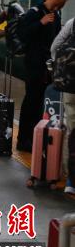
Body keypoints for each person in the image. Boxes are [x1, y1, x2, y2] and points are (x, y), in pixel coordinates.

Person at [16, 0, 69, 152]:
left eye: (61, 5)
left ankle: (36, 138)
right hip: (34, 65)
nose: (57, 8)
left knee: (41, 103)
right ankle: (23, 140)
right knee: (31, 101)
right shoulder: (35, 12)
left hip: (48, 66)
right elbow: (22, 34)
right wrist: (41, 23)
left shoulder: (56, 15)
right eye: (56, 3)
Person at [51, 16, 75, 195]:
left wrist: (62, 71)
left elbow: (55, 47)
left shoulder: (72, 22)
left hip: (71, 86)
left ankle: (71, 179)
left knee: (72, 130)